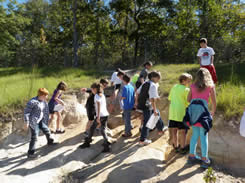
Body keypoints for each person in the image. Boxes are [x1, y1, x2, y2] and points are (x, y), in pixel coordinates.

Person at [185, 68, 216, 169]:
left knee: (195, 135)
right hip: (203, 114)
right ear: (208, 76)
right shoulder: (210, 86)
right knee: (204, 136)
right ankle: (204, 159)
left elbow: (188, 99)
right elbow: (214, 102)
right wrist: (212, 113)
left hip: (193, 113)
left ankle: (191, 156)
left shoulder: (192, 86)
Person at [135, 71, 167, 146]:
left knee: (157, 113)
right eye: (158, 77)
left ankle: (161, 129)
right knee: (147, 122)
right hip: (148, 105)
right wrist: (154, 109)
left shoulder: (145, 83)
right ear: (153, 77)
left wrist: (136, 102)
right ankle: (142, 140)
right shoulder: (153, 85)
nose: (159, 79)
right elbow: (152, 99)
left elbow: (137, 92)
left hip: (142, 104)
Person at [24, 88, 57, 159]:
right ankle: (30, 153)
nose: (47, 97)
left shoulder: (43, 101)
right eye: (46, 95)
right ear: (41, 95)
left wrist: (49, 116)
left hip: (41, 120)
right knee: (35, 137)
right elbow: (26, 112)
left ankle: (50, 142)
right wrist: (26, 122)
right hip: (34, 122)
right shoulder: (32, 102)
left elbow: (45, 110)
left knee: (47, 130)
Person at [79, 83, 111, 153]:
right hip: (105, 115)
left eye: (92, 89)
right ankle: (107, 144)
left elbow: (99, 105)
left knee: (92, 128)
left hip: (101, 116)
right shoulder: (102, 94)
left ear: (95, 89)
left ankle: (87, 143)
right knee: (102, 130)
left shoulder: (96, 96)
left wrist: (98, 117)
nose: (92, 91)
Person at [168, 73, 192, 154]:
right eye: (188, 81)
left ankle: (175, 146)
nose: (189, 83)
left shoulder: (174, 87)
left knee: (174, 130)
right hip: (181, 112)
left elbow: (170, 98)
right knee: (182, 131)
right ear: (184, 81)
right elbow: (188, 101)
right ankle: (182, 147)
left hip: (173, 112)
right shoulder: (186, 90)